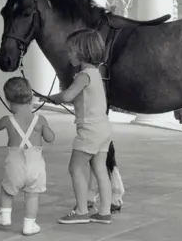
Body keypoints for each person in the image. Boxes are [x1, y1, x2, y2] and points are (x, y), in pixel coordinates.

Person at [46, 29, 113, 225]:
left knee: (75, 168)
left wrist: (54, 98)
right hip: (103, 128)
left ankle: (82, 211)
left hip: (90, 130)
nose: (68, 54)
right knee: (100, 169)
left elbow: (67, 96)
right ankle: (104, 212)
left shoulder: (83, 75)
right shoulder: (96, 74)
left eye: (70, 51)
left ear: (82, 52)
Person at [0, 77, 55, 236]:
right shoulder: (39, 119)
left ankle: (5, 216)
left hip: (15, 164)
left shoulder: (7, 120)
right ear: (31, 97)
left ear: (8, 100)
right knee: (32, 196)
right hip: (35, 165)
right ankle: (30, 224)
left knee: (7, 190)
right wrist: (46, 131)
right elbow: (50, 138)